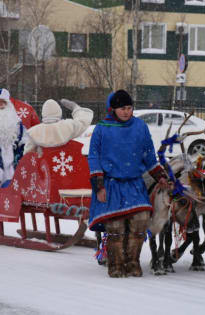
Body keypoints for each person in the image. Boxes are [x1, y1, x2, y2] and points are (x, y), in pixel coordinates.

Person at [88, 89, 168, 278]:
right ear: (113, 109)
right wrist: (99, 186)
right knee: (115, 227)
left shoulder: (140, 126)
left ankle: (132, 263)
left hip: (134, 184)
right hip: (111, 185)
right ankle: (115, 265)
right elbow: (94, 157)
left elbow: (149, 155)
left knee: (140, 223)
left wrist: (160, 175)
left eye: (129, 108)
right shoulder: (101, 128)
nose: (126, 112)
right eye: (122, 108)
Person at [23, 99, 93, 155]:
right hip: (64, 167)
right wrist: (76, 108)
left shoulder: (34, 132)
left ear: (43, 113)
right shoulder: (67, 126)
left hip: (43, 170)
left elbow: (27, 156)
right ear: (59, 112)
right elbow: (82, 121)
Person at [0, 88, 28, 188]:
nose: (1, 106)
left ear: (9, 105)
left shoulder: (17, 123)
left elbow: (25, 142)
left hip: (14, 166)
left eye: (3, 103)